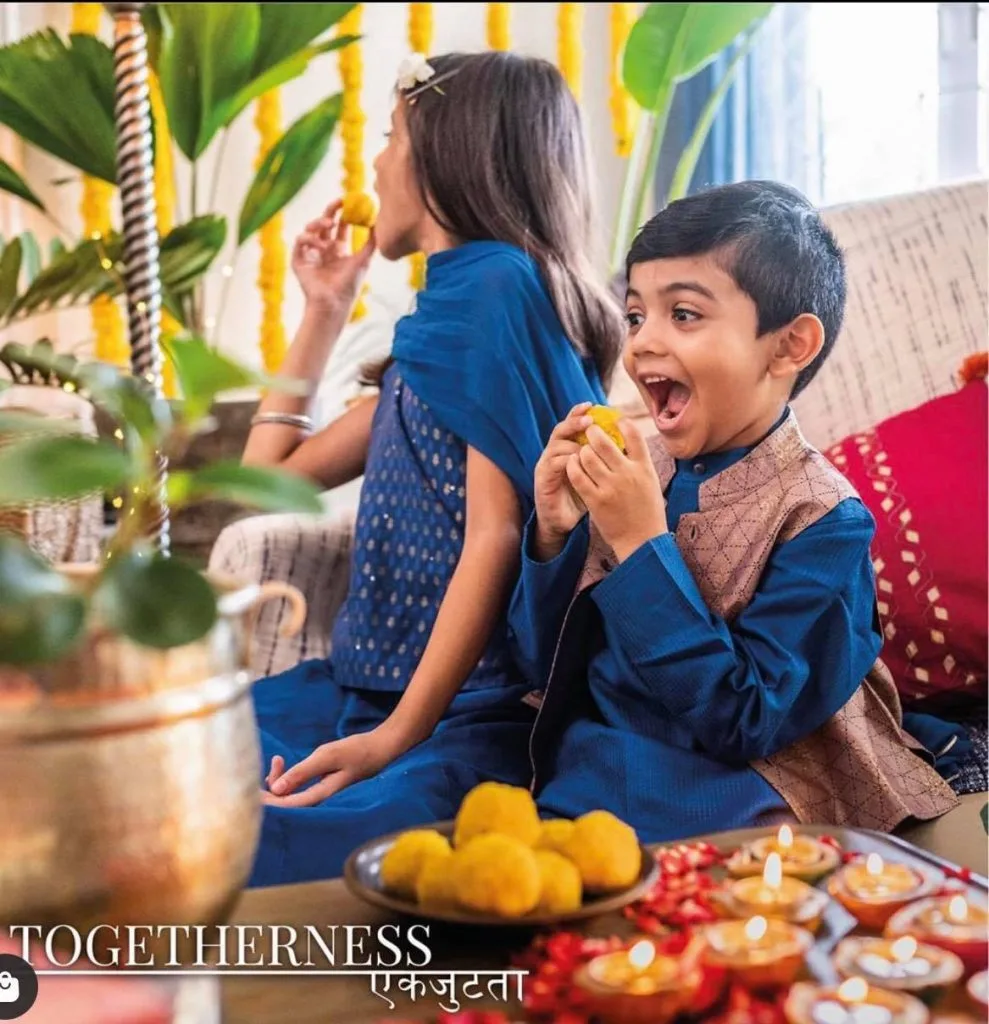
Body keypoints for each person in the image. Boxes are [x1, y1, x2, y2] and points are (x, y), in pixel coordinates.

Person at [239, 51, 624, 885]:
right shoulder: (441, 324)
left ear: (446, 154)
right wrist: (323, 310)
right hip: (363, 692)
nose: (376, 162)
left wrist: (392, 739)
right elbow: (267, 475)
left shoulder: (495, 289)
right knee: (169, 769)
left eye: (390, 137)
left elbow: (495, 536)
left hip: (457, 714)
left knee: (252, 838)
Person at [508, 180, 961, 839]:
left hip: (745, 782)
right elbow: (541, 663)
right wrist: (553, 534)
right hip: (598, 755)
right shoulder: (640, 471)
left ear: (788, 345)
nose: (641, 343)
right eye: (634, 316)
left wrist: (640, 544)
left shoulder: (825, 521)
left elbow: (745, 720)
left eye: (683, 314)